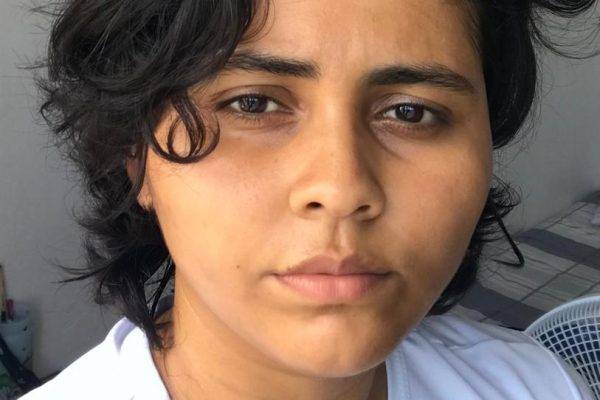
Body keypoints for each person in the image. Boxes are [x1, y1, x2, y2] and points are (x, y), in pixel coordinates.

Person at [20, 0, 599, 399]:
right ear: (136, 156)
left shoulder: (540, 386)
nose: (342, 189)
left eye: (410, 112)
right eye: (253, 104)